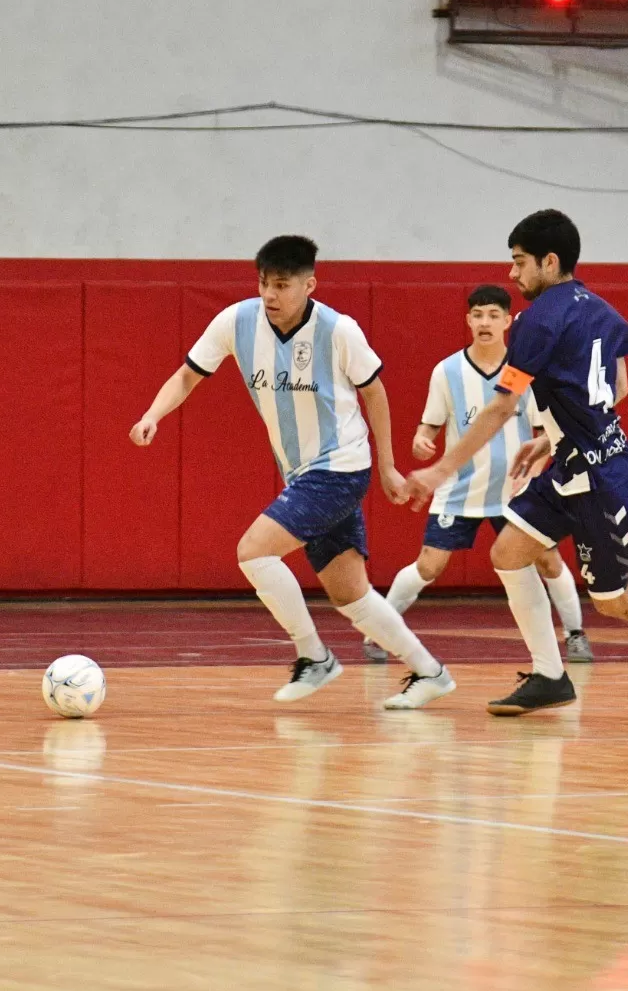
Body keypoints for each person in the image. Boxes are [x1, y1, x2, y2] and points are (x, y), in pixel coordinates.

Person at [404, 210, 628, 715]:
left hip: (600, 477)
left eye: (519, 262)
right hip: (574, 461)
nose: (512, 274)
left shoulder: (536, 322)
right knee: (508, 553)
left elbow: (501, 407)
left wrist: (439, 470)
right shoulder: (603, 312)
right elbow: (619, 388)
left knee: (615, 601)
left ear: (549, 261)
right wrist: (554, 439)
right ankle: (549, 676)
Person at [130, 236, 455, 709]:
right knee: (351, 594)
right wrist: (152, 414)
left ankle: (314, 656)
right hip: (302, 473)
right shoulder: (235, 322)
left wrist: (386, 465)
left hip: (341, 467)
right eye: (264, 283)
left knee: (253, 552)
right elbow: (187, 374)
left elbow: (376, 394)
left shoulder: (338, 330)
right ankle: (431, 672)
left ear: (309, 284)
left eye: (281, 285)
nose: (270, 295)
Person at [366, 284, 592, 664]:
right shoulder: (447, 371)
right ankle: (379, 632)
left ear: (507, 321)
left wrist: (534, 471)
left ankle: (575, 634)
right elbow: (430, 426)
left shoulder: (526, 373)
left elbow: (544, 435)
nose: (484, 322)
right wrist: (422, 439)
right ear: (468, 320)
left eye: (493, 315)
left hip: (516, 491)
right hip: (461, 489)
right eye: (477, 315)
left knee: (548, 559)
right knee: (429, 565)